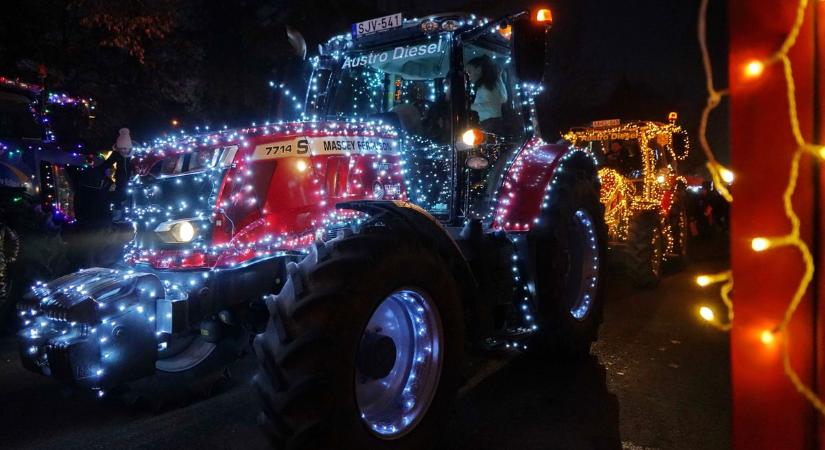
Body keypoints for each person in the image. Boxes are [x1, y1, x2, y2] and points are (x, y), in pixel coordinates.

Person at [465, 55, 507, 133]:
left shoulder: (486, 86)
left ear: (478, 69)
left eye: (469, 72)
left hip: (490, 123)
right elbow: (503, 99)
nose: (469, 77)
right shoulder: (490, 83)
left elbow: (492, 105)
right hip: (493, 122)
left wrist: (470, 106)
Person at [100, 128, 133, 222]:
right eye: (120, 149)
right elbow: (108, 163)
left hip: (133, 178)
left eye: (125, 148)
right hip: (121, 178)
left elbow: (138, 164)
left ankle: (128, 213)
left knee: (129, 195)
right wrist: (101, 168)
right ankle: (118, 213)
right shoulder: (117, 155)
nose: (123, 151)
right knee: (119, 195)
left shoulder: (133, 154)